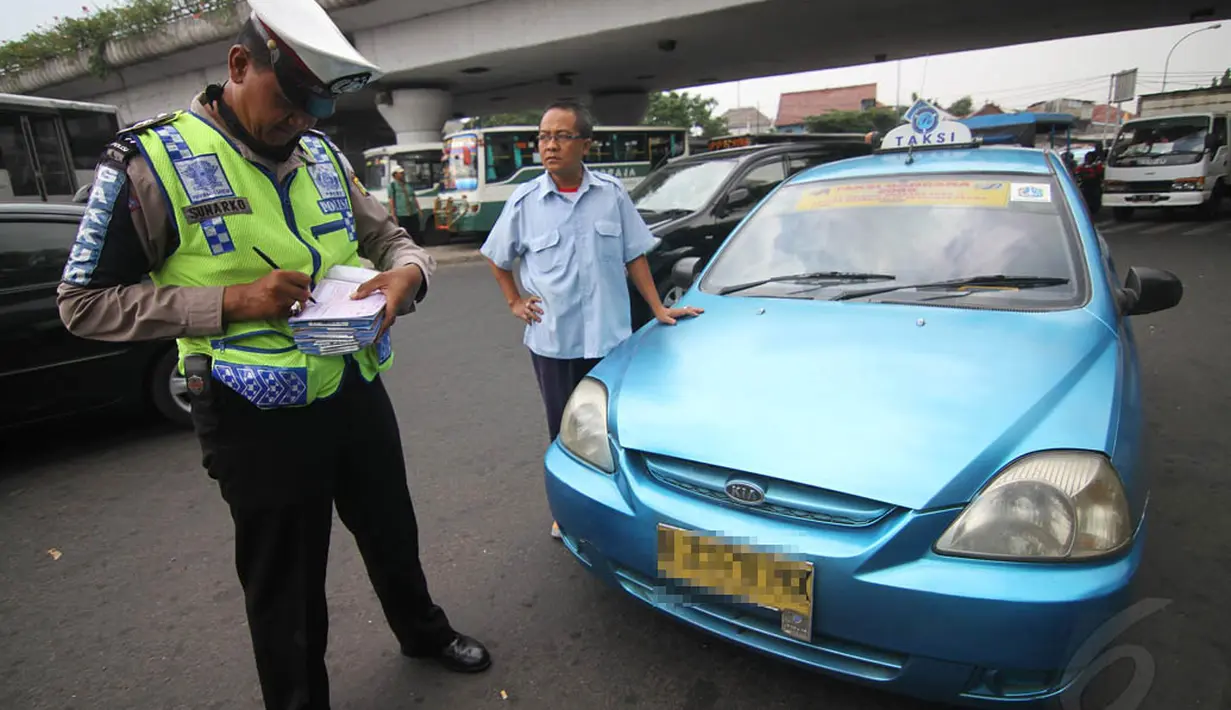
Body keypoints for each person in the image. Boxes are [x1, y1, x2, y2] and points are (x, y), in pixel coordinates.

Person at [55, 0, 491, 707]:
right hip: (251, 409)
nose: (303, 122)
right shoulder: (150, 161)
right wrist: (233, 302)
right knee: (284, 581)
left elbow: (393, 241)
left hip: (352, 382)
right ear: (237, 65)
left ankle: (422, 631)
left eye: (317, 107)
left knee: (391, 529)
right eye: (291, 101)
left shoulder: (320, 153)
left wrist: (406, 279)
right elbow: (81, 305)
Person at [478, 100, 703, 539]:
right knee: (566, 428)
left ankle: (623, 509)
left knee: (614, 428)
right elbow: (496, 257)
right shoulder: (525, 201)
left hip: (610, 338)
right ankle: (570, 511)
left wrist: (657, 309)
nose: (550, 145)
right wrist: (514, 302)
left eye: (561, 136)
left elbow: (634, 254)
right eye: (543, 137)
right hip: (554, 340)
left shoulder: (611, 194)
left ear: (586, 144)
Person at [388, 165, 424, 245]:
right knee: (405, 234)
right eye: (400, 173)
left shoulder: (408, 185)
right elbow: (391, 201)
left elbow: (414, 197)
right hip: (402, 214)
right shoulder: (392, 186)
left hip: (412, 212)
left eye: (403, 173)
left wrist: (419, 209)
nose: (402, 174)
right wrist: (393, 215)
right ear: (395, 175)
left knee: (415, 232)